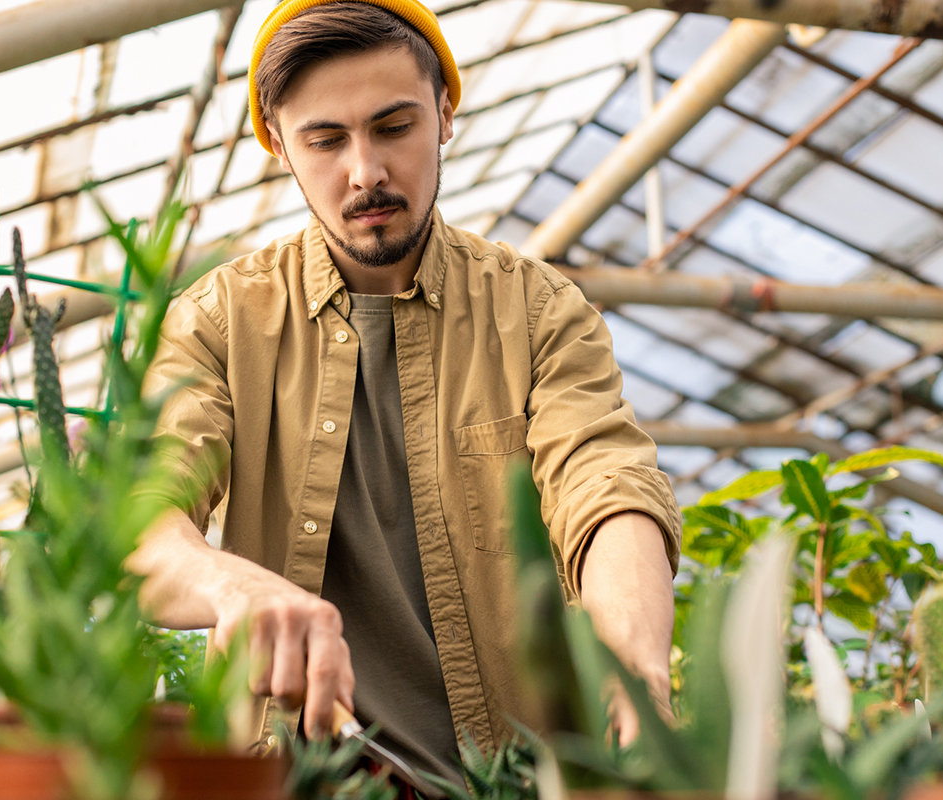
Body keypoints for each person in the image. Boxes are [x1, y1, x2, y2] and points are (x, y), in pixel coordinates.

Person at [129, 0, 681, 789]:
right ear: (280, 146)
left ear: (445, 116)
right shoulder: (218, 322)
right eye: (326, 140)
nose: (365, 173)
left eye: (394, 127)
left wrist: (635, 672)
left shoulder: (535, 309)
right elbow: (142, 518)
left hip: (515, 777)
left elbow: (606, 485)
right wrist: (232, 584)